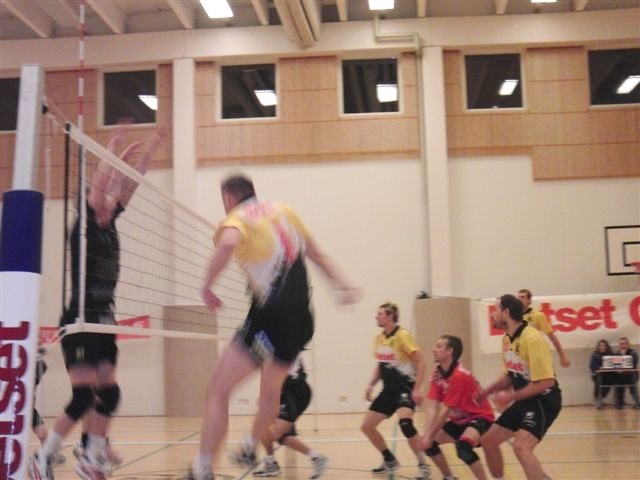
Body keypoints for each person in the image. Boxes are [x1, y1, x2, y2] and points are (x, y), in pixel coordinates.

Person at [190, 174, 360, 480]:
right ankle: (249, 445)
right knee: (271, 391)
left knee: (218, 389)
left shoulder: (237, 219)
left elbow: (228, 243)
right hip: (302, 320)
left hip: (270, 319)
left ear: (228, 197)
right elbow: (317, 255)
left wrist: (206, 287)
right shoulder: (284, 210)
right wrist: (343, 283)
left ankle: (203, 467)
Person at [29, 123, 164, 480]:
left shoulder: (110, 222)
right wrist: (112, 149)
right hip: (79, 320)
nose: (108, 203)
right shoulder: (85, 227)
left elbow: (130, 185)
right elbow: (102, 186)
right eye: (101, 199)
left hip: (104, 320)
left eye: (109, 201)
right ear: (89, 203)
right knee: (83, 397)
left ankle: (90, 457)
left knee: (110, 394)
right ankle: (43, 457)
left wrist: (149, 151)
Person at [478, 294, 562, 480]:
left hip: (544, 400)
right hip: (524, 400)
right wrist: (487, 391)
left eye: (495, 310)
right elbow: (510, 374)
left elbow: (546, 382)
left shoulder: (533, 338)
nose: (492, 314)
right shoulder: (507, 339)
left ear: (506, 312)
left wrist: (509, 397)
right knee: (488, 441)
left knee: (521, 447)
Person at [360, 302, 430, 479]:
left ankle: (423, 464)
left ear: (390, 317)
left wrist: (417, 389)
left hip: (405, 387)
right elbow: (381, 365)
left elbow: (421, 362)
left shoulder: (403, 336)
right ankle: (389, 459)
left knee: (405, 423)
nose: (376, 317)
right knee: (367, 427)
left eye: (380, 314)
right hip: (388, 390)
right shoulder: (379, 338)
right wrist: (371, 384)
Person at [422, 335, 500, 480]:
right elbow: (432, 406)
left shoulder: (459, 375)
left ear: (450, 351)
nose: (433, 349)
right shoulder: (437, 375)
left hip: (480, 417)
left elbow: (445, 410)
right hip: (460, 420)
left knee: (463, 448)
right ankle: (449, 477)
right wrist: (427, 434)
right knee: (430, 444)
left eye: (439, 346)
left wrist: (429, 435)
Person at [251, 355, 328, 479]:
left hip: (294, 393)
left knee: (278, 435)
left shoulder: (283, 349)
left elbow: (279, 376)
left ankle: (318, 458)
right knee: (263, 427)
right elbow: (265, 374)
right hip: (283, 393)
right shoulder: (265, 351)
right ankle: (271, 463)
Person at [517, 289, 570, 368]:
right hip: (521, 358)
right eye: (518, 297)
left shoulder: (538, 315)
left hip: (537, 355)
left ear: (529, 300)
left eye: (522, 297)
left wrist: (562, 356)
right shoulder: (514, 317)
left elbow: (552, 337)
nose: (519, 299)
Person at [613, 337, 640, 409]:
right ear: (619, 345)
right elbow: (616, 365)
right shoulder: (616, 353)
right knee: (619, 383)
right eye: (621, 344)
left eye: (624, 344)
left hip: (631, 374)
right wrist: (617, 370)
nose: (623, 345)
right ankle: (620, 402)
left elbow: (633, 364)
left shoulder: (633, 353)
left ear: (628, 344)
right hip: (620, 375)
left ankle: (637, 402)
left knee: (633, 387)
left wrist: (624, 369)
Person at [589, 339, 615, 409]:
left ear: (607, 347)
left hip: (608, 374)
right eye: (601, 345)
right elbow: (592, 366)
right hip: (598, 374)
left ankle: (602, 397)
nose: (602, 347)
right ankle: (597, 398)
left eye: (604, 346)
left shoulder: (610, 354)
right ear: (598, 346)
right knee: (599, 380)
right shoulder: (594, 355)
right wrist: (599, 368)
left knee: (611, 380)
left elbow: (614, 364)